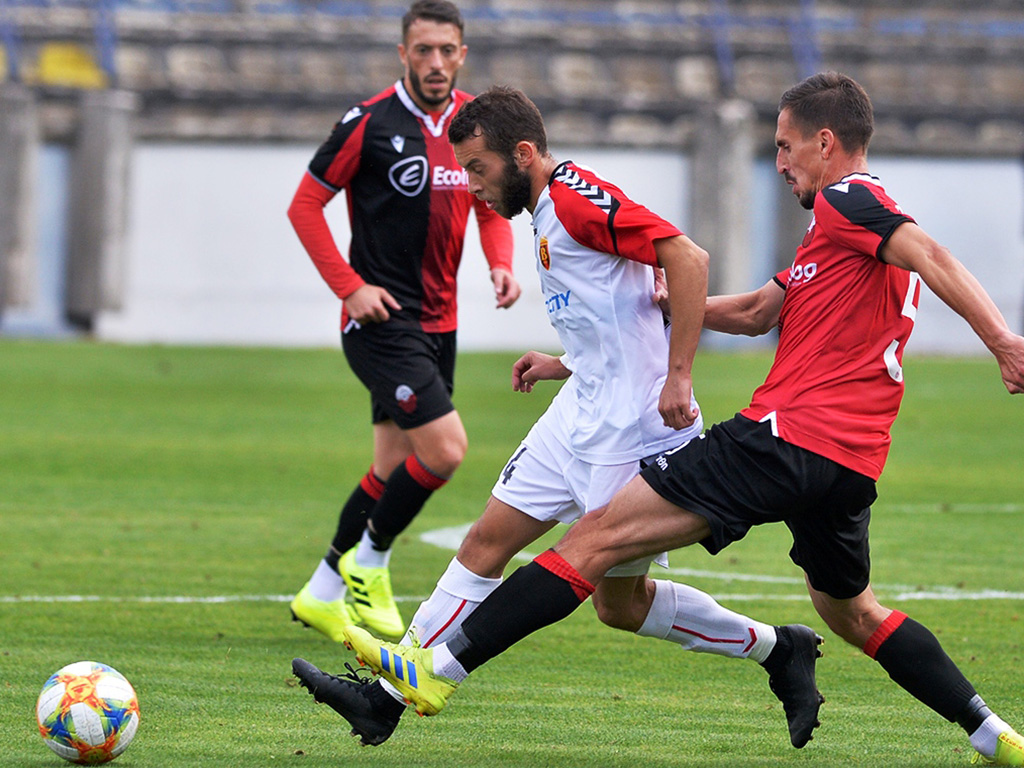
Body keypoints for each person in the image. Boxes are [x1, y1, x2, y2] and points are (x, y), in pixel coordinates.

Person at [339, 73, 1024, 765]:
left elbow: (930, 252)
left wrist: (1003, 343)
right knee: (854, 613)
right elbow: (758, 312)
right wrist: (657, 313)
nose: (780, 162)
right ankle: (995, 736)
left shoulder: (853, 200)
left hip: (782, 439)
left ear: (827, 141)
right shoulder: (835, 239)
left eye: (786, 147)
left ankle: (434, 671)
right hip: (849, 465)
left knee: (595, 539)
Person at [293, 85, 825, 750]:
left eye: (479, 170)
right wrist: (565, 362)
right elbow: (620, 312)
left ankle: (779, 650)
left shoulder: (576, 198)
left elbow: (686, 259)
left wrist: (680, 374)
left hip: (632, 431)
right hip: (577, 412)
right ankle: (385, 700)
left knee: (619, 606)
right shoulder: (544, 208)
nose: (472, 187)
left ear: (521, 154)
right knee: (485, 543)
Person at [286, 0, 520, 643]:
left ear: (463, 53)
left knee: (390, 466)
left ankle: (322, 591)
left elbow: (491, 205)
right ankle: (371, 559)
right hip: (381, 320)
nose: (437, 62)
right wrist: (350, 287)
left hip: (439, 324)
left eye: (448, 50)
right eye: (424, 50)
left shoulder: (473, 125)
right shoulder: (367, 123)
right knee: (445, 450)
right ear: (403, 54)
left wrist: (500, 264)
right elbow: (305, 207)